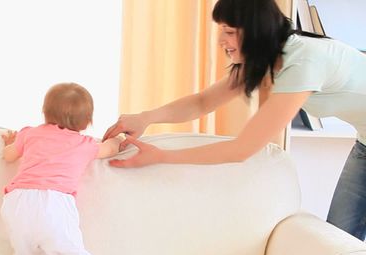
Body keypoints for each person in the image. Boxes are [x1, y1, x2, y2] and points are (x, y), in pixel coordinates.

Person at [103, 0, 366, 241]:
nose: (220, 40)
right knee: (340, 241)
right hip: (364, 143)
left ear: (255, 30)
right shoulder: (269, 60)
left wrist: (161, 157)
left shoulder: (303, 61)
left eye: (229, 31)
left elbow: (242, 148)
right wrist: (146, 118)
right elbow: (202, 102)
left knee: (341, 243)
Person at [0, 82, 126, 255]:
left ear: (45, 113)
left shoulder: (29, 134)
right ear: (87, 122)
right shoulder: (85, 144)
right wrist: (117, 140)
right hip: (55, 202)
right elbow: (108, 150)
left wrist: (10, 144)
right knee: (72, 254)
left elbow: (9, 156)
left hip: (18, 201)